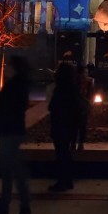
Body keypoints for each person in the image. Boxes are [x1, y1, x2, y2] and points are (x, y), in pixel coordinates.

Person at [0, 56, 31, 214]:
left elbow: (13, 108)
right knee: (9, 172)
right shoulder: (18, 84)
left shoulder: (16, 85)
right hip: (10, 131)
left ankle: (21, 208)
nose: (6, 69)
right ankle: (6, 205)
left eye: (8, 66)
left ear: (15, 68)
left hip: (10, 132)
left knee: (13, 172)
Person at [47, 63, 81, 192]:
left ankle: (62, 181)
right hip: (70, 125)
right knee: (65, 153)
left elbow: (53, 107)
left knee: (61, 154)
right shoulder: (73, 87)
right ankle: (68, 180)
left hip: (60, 125)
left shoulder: (60, 89)